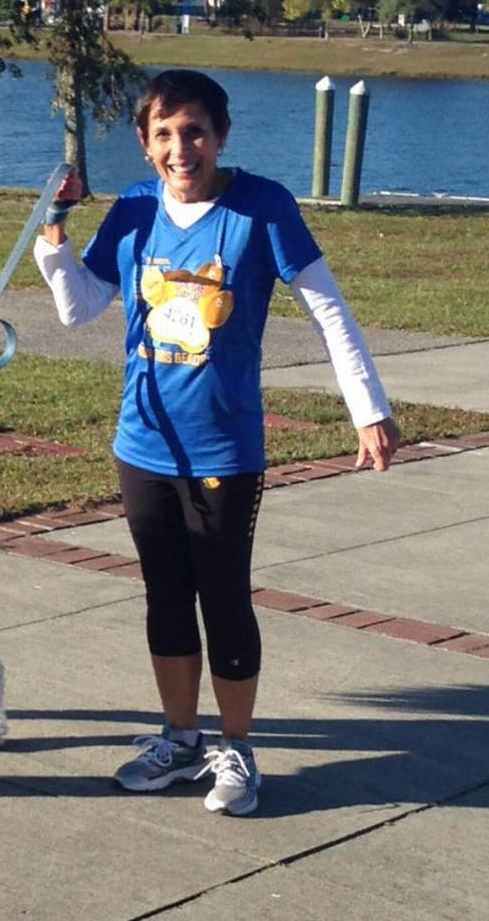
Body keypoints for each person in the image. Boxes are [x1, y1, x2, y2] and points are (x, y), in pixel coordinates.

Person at [33, 69, 400, 816]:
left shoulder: (261, 207)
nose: (180, 149)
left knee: (224, 600)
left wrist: (368, 407)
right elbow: (80, 309)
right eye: (164, 134)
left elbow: (328, 311)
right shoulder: (136, 208)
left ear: (220, 134)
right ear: (144, 143)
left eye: (194, 131)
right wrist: (53, 241)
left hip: (224, 452)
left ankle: (237, 749)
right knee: (166, 599)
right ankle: (180, 739)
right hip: (142, 446)